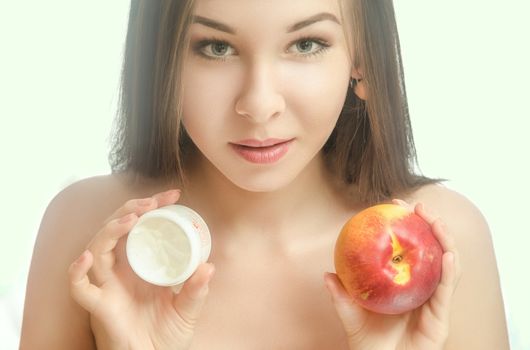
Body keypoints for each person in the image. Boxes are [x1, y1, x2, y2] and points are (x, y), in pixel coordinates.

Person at [20, 0, 509, 349]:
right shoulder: (91, 234)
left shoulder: (441, 244)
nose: (258, 104)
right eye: (214, 47)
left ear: (360, 60)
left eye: (307, 43)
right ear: (164, 59)